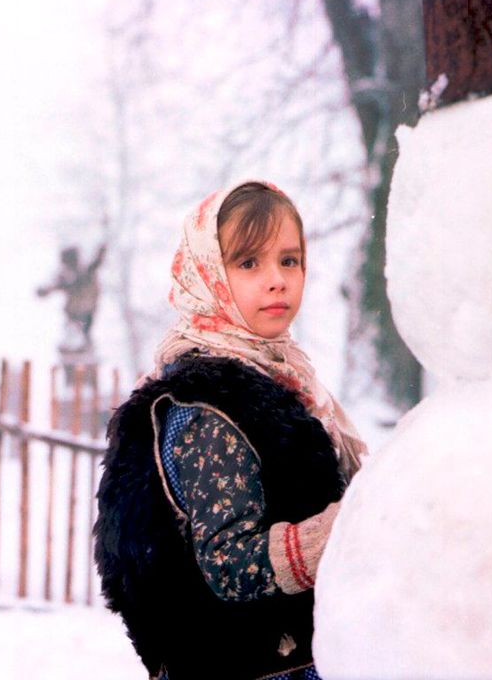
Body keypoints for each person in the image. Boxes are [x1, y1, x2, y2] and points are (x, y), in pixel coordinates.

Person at [94, 181, 367, 680]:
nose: (277, 281)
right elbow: (232, 564)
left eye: (289, 260)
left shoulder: (285, 381)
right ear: (208, 276)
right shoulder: (207, 405)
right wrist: (353, 524)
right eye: (248, 263)